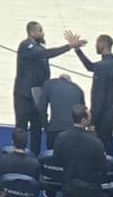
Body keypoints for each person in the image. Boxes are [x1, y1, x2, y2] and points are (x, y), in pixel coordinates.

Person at [15, 22, 82, 154]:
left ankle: (35, 155)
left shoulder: (39, 46)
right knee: (21, 127)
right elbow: (46, 54)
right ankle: (18, 152)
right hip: (24, 95)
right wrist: (69, 46)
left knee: (37, 128)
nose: (43, 33)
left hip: (38, 94)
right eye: (40, 30)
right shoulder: (26, 46)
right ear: (32, 32)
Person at [73, 34, 113, 151]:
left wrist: (92, 121)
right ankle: (111, 165)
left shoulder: (101, 66)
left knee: (98, 143)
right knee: (108, 140)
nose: (96, 46)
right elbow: (91, 67)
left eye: (97, 44)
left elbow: (99, 97)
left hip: (103, 113)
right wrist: (77, 50)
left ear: (102, 45)